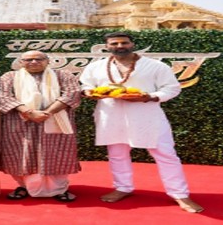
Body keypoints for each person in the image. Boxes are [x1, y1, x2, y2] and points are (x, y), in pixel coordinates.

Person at [79, 31, 204, 213]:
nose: (119, 46)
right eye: (114, 43)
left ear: (132, 44)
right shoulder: (95, 67)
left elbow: (172, 88)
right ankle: (123, 187)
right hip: (110, 115)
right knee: (117, 154)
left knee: (166, 155)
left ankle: (180, 194)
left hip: (147, 115)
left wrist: (149, 97)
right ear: (107, 46)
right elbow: (86, 84)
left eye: (124, 43)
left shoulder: (155, 66)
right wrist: (89, 92)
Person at [0, 50, 81, 202]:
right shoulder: (9, 77)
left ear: (48, 60)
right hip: (20, 122)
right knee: (21, 154)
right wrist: (29, 112)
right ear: (21, 62)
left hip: (56, 120)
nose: (34, 62)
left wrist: (47, 113)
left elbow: (71, 94)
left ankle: (60, 188)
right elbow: (3, 97)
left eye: (39, 59)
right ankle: (24, 186)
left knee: (57, 154)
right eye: (28, 60)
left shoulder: (64, 76)